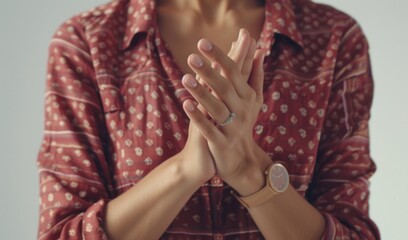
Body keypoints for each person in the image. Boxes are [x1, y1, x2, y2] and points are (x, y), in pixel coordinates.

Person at [36, 0, 380, 239]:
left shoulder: (333, 40)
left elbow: (353, 234)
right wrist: (185, 170)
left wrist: (248, 170)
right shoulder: (87, 43)